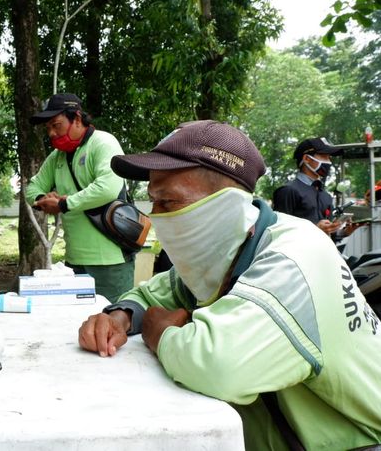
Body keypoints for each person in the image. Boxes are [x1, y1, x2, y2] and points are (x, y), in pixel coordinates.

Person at [78, 120, 381, 449]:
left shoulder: (294, 255)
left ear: (226, 203)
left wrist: (157, 330)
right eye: (153, 202)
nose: (156, 216)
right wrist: (120, 315)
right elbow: (153, 293)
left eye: (169, 202)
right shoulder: (224, 256)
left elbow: (219, 366)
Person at [25, 93, 134, 302]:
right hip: (74, 261)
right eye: (47, 128)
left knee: (114, 322)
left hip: (110, 260)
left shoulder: (103, 142)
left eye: (56, 125)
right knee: (77, 325)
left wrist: (64, 204)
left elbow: (108, 187)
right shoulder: (57, 157)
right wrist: (42, 199)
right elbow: (32, 187)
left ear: (76, 118)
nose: (51, 133)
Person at [273, 137, 362, 239]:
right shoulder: (287, 191)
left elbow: (329, 235)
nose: (329, 162)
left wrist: (344, 232)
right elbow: (278, 233)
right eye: (324, 157)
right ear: (306, 159)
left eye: (329, 158)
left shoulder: (325, 195)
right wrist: (315, 229)